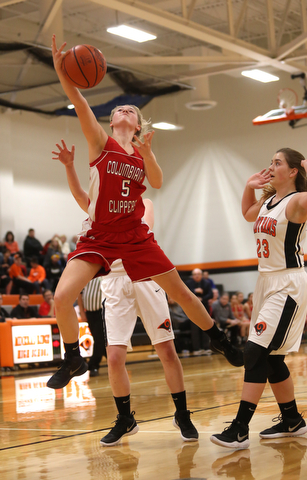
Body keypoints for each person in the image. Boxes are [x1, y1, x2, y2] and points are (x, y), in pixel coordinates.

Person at [46, 34, 243, 391]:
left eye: (131, 111)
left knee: (184, 293)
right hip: (100, 237)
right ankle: (73, 357)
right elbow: (77, 99)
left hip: (134, 236)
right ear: (111, 122)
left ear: (137, 126)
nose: (123, 110)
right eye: (119, 109)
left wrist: (149, 153)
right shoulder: (100, 144)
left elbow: (158, 181)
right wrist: (63, 71)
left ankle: (219, 338)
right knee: (61, 297)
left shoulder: (139, 156)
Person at [50, 140, 200, 445]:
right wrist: (68, 166)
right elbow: (81, 195)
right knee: (114, 358)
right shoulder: (97, 206)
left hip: (144, 279)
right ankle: (125, 419)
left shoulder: (142, 204)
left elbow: (137, 232)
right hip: (115, 285)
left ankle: (182, 414)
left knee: (167, 352)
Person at [211, 147, 307, 449]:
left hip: (288, 283)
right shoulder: (268, 201)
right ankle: (292, 420)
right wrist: (249, 187)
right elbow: (247, 214)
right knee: (271, 358)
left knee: (254, 352)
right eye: (271, 161)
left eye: (278, 162)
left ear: (293, 171)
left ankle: (240, 428)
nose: (271, 166)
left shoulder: (296, 201)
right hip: (266, 282)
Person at [78, 277, 106, 377]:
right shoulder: (87, 276)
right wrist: (82, 312)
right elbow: (80, 295)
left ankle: (93, 365)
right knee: (99, 340)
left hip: (102, 312)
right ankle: (113, 361)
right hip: (89, 312)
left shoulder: (104, 276)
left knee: (100, 340)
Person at [185, 268, 214, 354]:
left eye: (198, 274)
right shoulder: (188, 283)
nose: (197, 276)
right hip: (192, 309)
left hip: (204, 307)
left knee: (206, 327)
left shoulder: (206, 283)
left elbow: (210, 294)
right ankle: (196, 349)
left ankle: (206, 347)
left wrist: (202, 299)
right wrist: (194, 291)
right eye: (195, 274)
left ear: (201, 275)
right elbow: (185, 293)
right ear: (192, 276)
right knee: (195, 329)